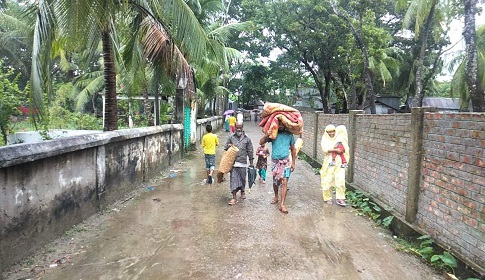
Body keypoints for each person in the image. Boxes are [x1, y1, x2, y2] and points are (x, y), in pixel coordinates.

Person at [260, 120, 296, 214]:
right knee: (275, 181)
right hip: (275, 162)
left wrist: (293, 163)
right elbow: (261, 142)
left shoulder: (289, 135)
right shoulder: (273, 134)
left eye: (282, 123)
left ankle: (282, 204)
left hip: (285, 162)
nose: (280, 125)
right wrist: (267, 135)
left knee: (284, 182)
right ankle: (276, 196)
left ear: (285, 124)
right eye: (278, 123)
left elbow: (293, 149)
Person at [225, 121, 254, 205]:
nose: (238, 129)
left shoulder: (247, 138)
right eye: (237, 127)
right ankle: (234, 197)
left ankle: (242, 190)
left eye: (240, 127)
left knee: (242, 179)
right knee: (233, 178)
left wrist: (251, 162)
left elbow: (250, 150)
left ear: (242, 127)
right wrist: (229, 146)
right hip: (233, 163)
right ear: (234, 127)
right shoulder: (231, 137)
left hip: (243, 163)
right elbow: (225, 148)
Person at [320, 124, 350, 206]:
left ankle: (340, 198)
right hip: (329, 162)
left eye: (333, 131)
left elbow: (345, 149)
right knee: (327, 179)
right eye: (329, 132)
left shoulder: (340, 139)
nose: (331, 133)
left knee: (340, 179)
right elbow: (325, 149)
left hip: (339, 161)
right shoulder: (325, 139)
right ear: (326, 132)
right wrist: (335, 150)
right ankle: (327, 197)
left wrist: (341, 152)